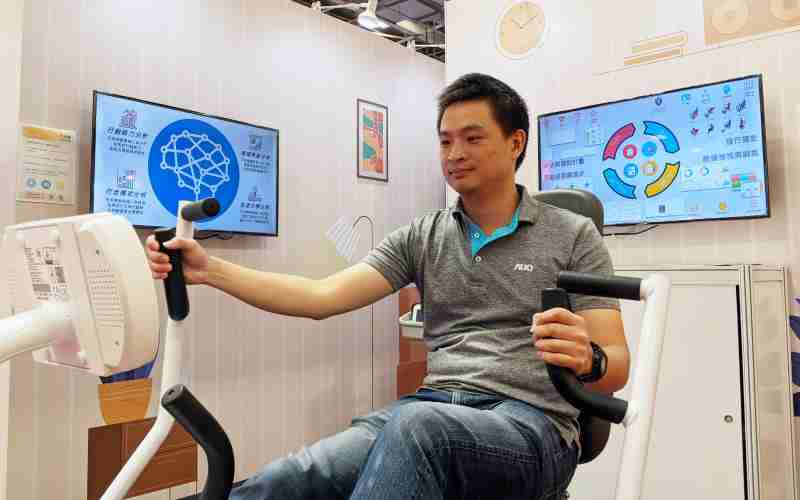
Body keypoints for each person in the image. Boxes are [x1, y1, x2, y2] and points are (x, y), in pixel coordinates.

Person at [146, 72, 628, 500]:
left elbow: (616, 364)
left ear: (515, 142)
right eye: (445, 141)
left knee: (418, 428)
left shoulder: (572, 234)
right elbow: (320, 297)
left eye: (473, 138)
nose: (455, 154)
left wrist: (590, 359)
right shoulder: (424, 235)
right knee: (292, 477)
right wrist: (210, 270)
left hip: (532, 426)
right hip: (434, 406)